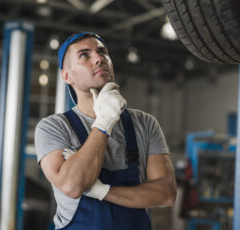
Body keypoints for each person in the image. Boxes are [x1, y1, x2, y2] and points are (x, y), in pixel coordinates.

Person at [34, 32, 177, 230]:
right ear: (67, 75)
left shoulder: (144, 123)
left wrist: (103, 192)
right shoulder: (53, 127)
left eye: (102, 52)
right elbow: (72, 186)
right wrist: (104, 122)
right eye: (84, 55)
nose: (99, 58)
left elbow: (166, 194)